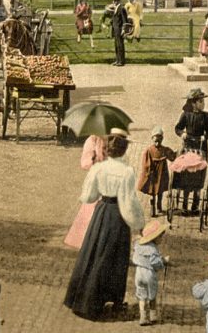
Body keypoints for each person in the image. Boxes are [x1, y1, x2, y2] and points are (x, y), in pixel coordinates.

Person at [63, 131, 144, 321]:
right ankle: (114, 300)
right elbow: (128, 202)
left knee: (93, 253)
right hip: (117, 216)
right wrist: (139, 224)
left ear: (108, 150)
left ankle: (84, 299)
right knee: (116, 258)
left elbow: (88, 196)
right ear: (123, 151)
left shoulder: (98, 169)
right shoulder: (127, 172)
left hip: (101, 213)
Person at [64, 134, 108, 248]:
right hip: (95, 179)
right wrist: (93, 160)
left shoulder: (108, 140)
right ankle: (85, 238)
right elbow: (84, 163)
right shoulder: (91, 141)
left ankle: (100, 238)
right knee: (91, 207)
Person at [132, 219, 169, 326]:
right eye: (160, 237)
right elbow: (155, 263)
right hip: (149, 274)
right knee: (152, 295)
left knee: (142, 295)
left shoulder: (139, 246)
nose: (161, 239)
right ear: (154, 238)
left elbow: (137, 257)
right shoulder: (153, 249)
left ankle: (143, 317)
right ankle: (153, 315)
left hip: (139, 273)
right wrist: (163, 262)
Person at [138, 126, 176, 217]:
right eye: (155, 140)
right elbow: (145, 163)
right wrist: (149, 170)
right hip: (153, 173)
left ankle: (159, 206)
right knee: (152, 191)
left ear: (162, 139)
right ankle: (153, 207)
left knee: (160, 190)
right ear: (152, 139)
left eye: (159, 140)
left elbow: (172, 157)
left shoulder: (164, 149)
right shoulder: (149, 150)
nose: (157, 142)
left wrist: (175, 153)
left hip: (162, 172)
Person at [101, 0, 130, 66]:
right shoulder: (116, 8)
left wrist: (124, 29)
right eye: (114, 1)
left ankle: (121, 61)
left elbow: (124, 20)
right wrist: (110, 23)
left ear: (118, 1)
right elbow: (115, 18)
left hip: (120, 29)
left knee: (120, 45)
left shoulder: (121, 8)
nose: (114, 2)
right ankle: (117, 60)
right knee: (116, 45)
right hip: (115, 29)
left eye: (116, 1)